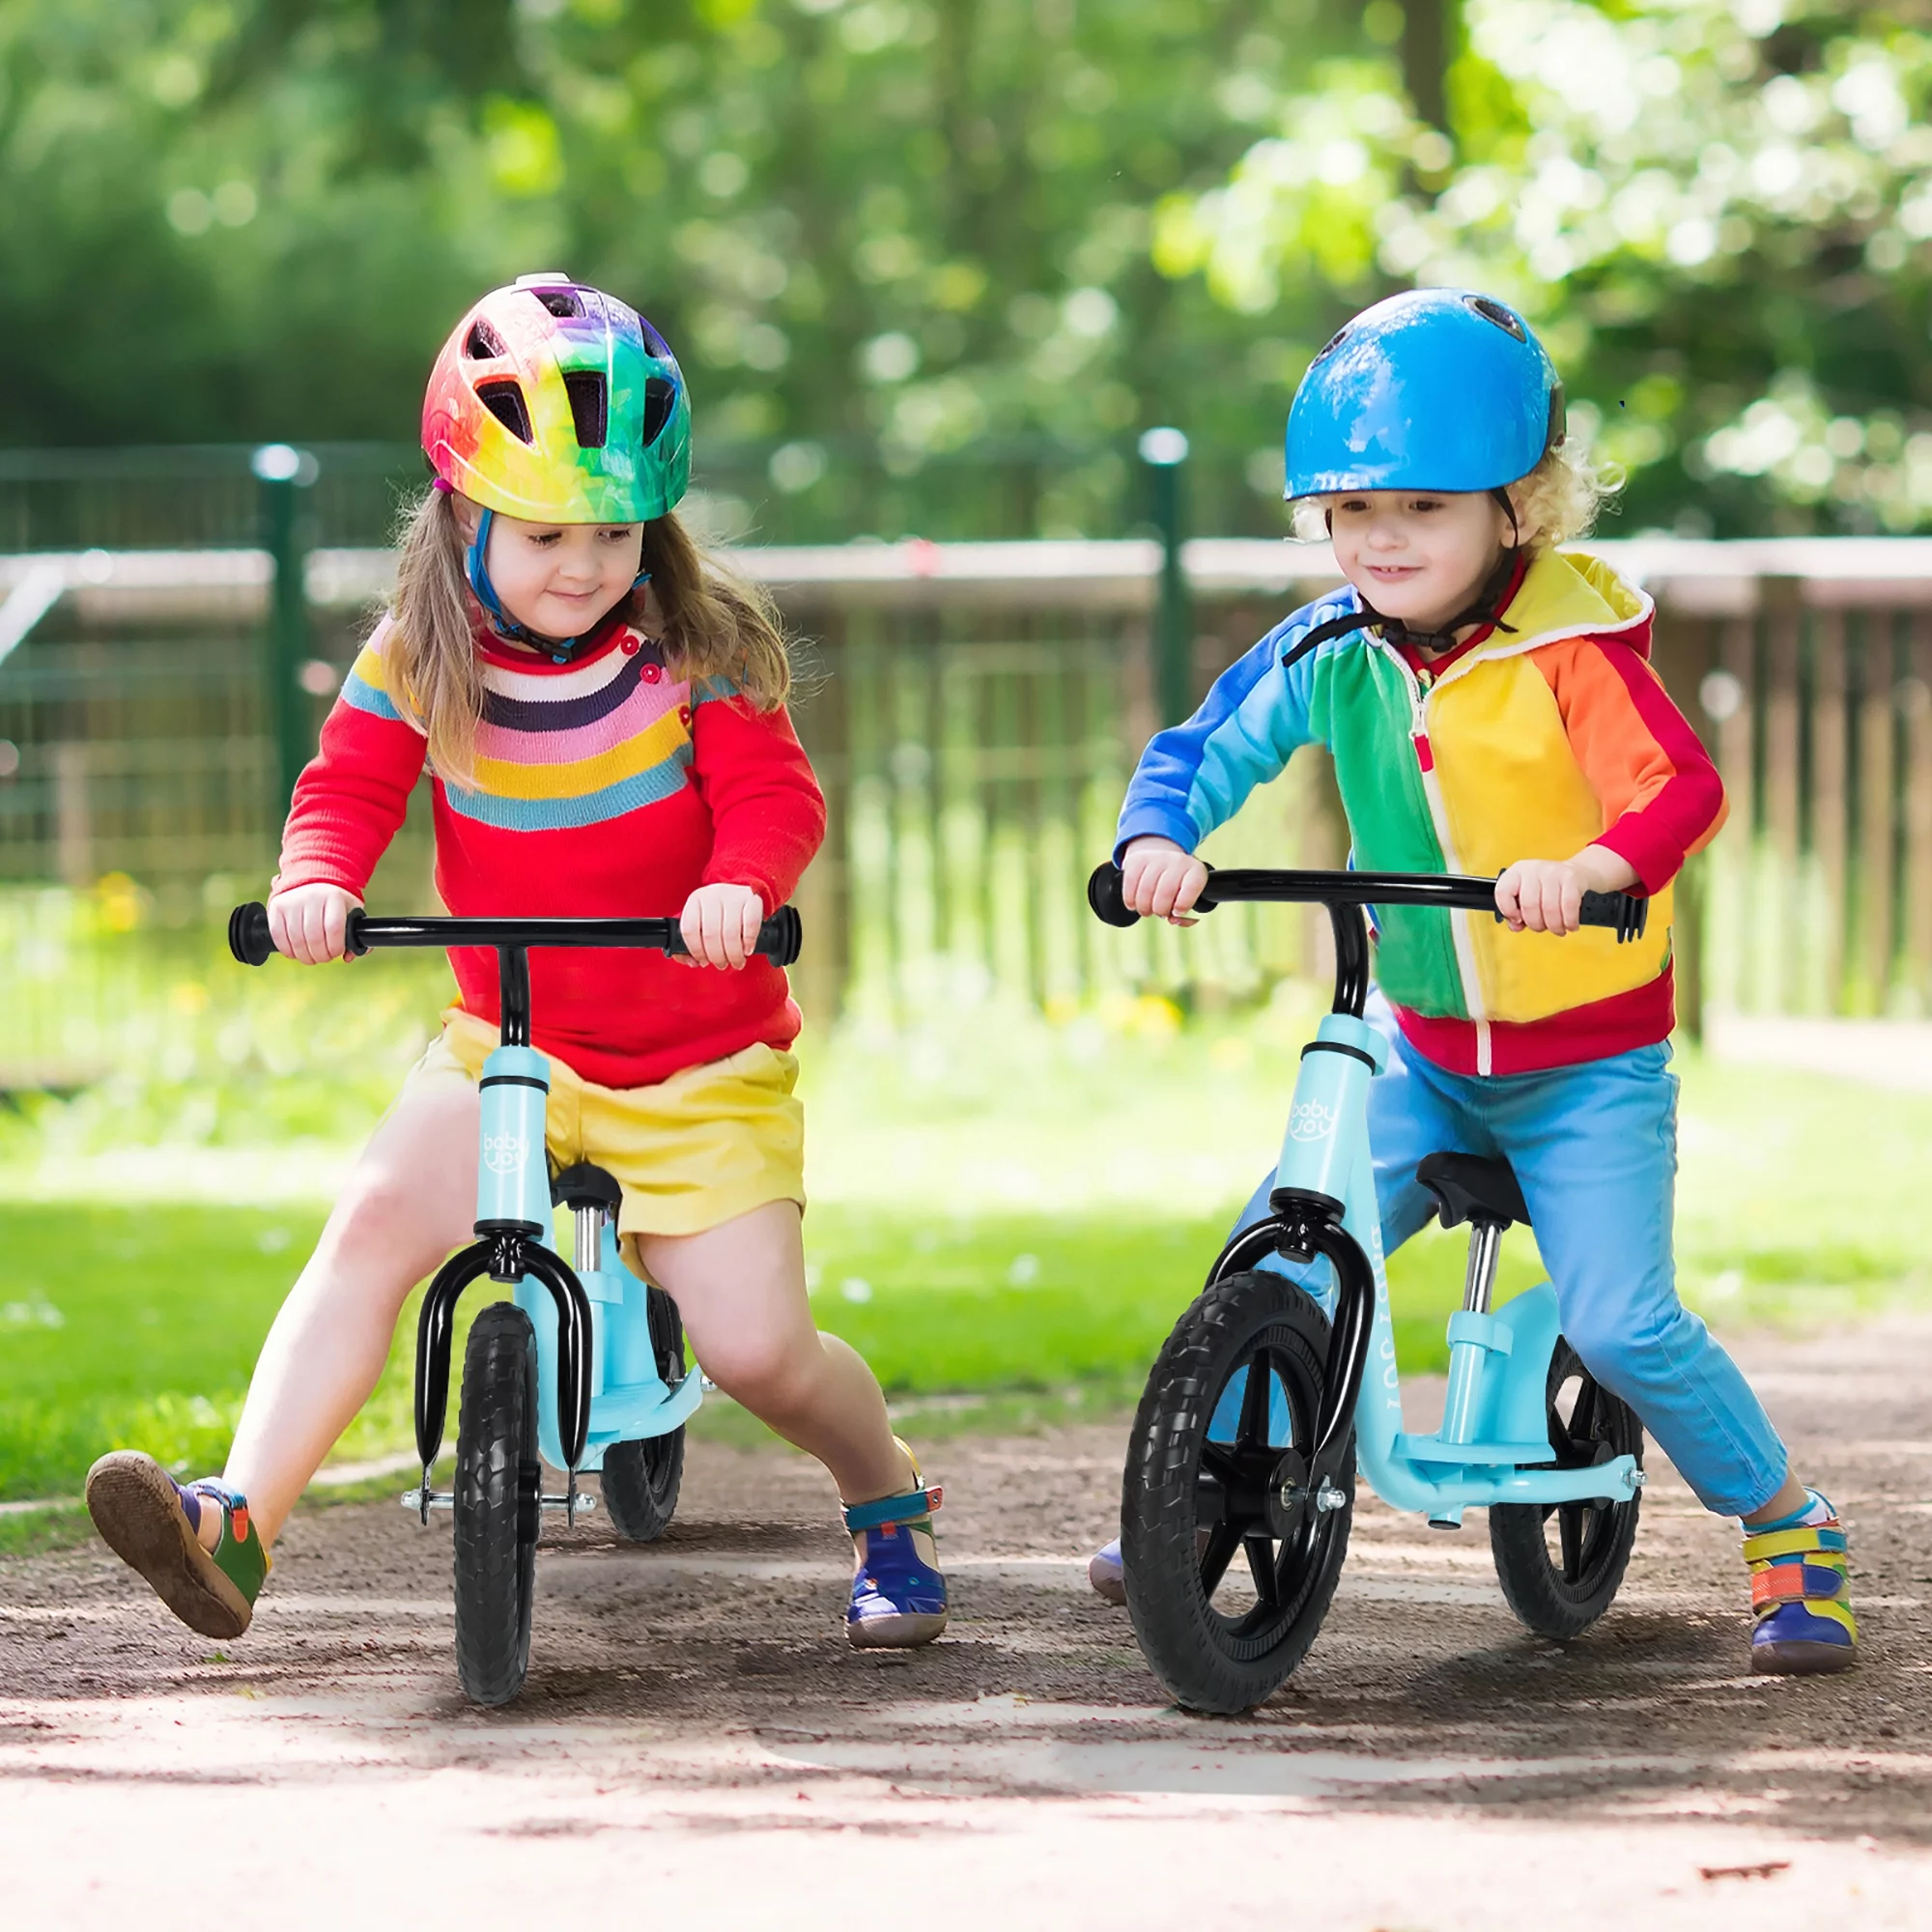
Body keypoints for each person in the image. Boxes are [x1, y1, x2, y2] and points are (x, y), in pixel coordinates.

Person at [86, 275, 946, 1651]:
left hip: (698, 1062)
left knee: (759, 1349)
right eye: (545, 530)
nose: (584, 564)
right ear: (460, 509)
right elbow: (348, 788)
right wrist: (317, 883)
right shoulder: (422, 655)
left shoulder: (697, 652)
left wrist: (739, 884)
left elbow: (778, 802)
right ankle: (235, 1525)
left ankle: (884, 1494)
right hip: (507, 1046)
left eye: (614, 530)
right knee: (368, 1229)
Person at [1087, 288, 1853, 1675]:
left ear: (1519, 506)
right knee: (1278, 1243)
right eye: (1353, 511)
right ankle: (1193, 1504)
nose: (1381, 540)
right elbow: (1204, 748)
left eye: (1423, 509)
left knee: (1622, 1321)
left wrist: (1601, 869)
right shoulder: (1333, 646)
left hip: (1583, 1063)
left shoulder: (1572, 654)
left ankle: (1791, 1530)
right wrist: (1159, 841)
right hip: (1423, 1048)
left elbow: (1676, 788)